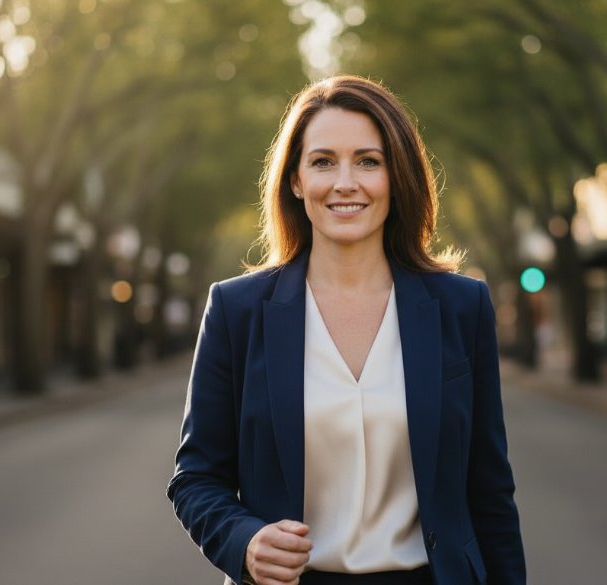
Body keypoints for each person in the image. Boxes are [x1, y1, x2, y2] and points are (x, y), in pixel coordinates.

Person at [166, 75, 526, 585]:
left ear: (396, 175)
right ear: (295, 180)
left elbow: (489, 492)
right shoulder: (236, 309)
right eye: (322, 161)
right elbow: (196, 478)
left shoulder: (462, 306)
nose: (345, 182)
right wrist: (244, 541)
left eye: (368, 161)